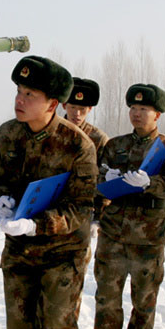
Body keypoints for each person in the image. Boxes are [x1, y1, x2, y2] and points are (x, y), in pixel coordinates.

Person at [0, 55, 96, 329]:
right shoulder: (7, 134)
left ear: (52, 104)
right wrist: (1, 200)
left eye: (29, 95)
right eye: (18, 92)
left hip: (62, 253)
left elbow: (81, 208)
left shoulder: (78, 144)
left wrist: (37, 225)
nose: (19, 100)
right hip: (19, 251)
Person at [92, 83, 165, 329]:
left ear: (157, 114)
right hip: (113, 232)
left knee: (143, 302)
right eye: (133, 108)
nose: (136, 114)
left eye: (143, 109)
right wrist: (106, 179)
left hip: (148, 236)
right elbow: (97, 177)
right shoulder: (115, 145)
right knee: (107, 298)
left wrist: (150, 184)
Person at [62, 77, 109, 224]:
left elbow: (105, 178)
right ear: (64, 105)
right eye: (73, 107)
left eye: (82, 109)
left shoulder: (98, 139)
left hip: (83, 213)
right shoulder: (50, 132)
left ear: (90, 109)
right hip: (52, 210)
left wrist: (99, 217)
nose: (77, 114)